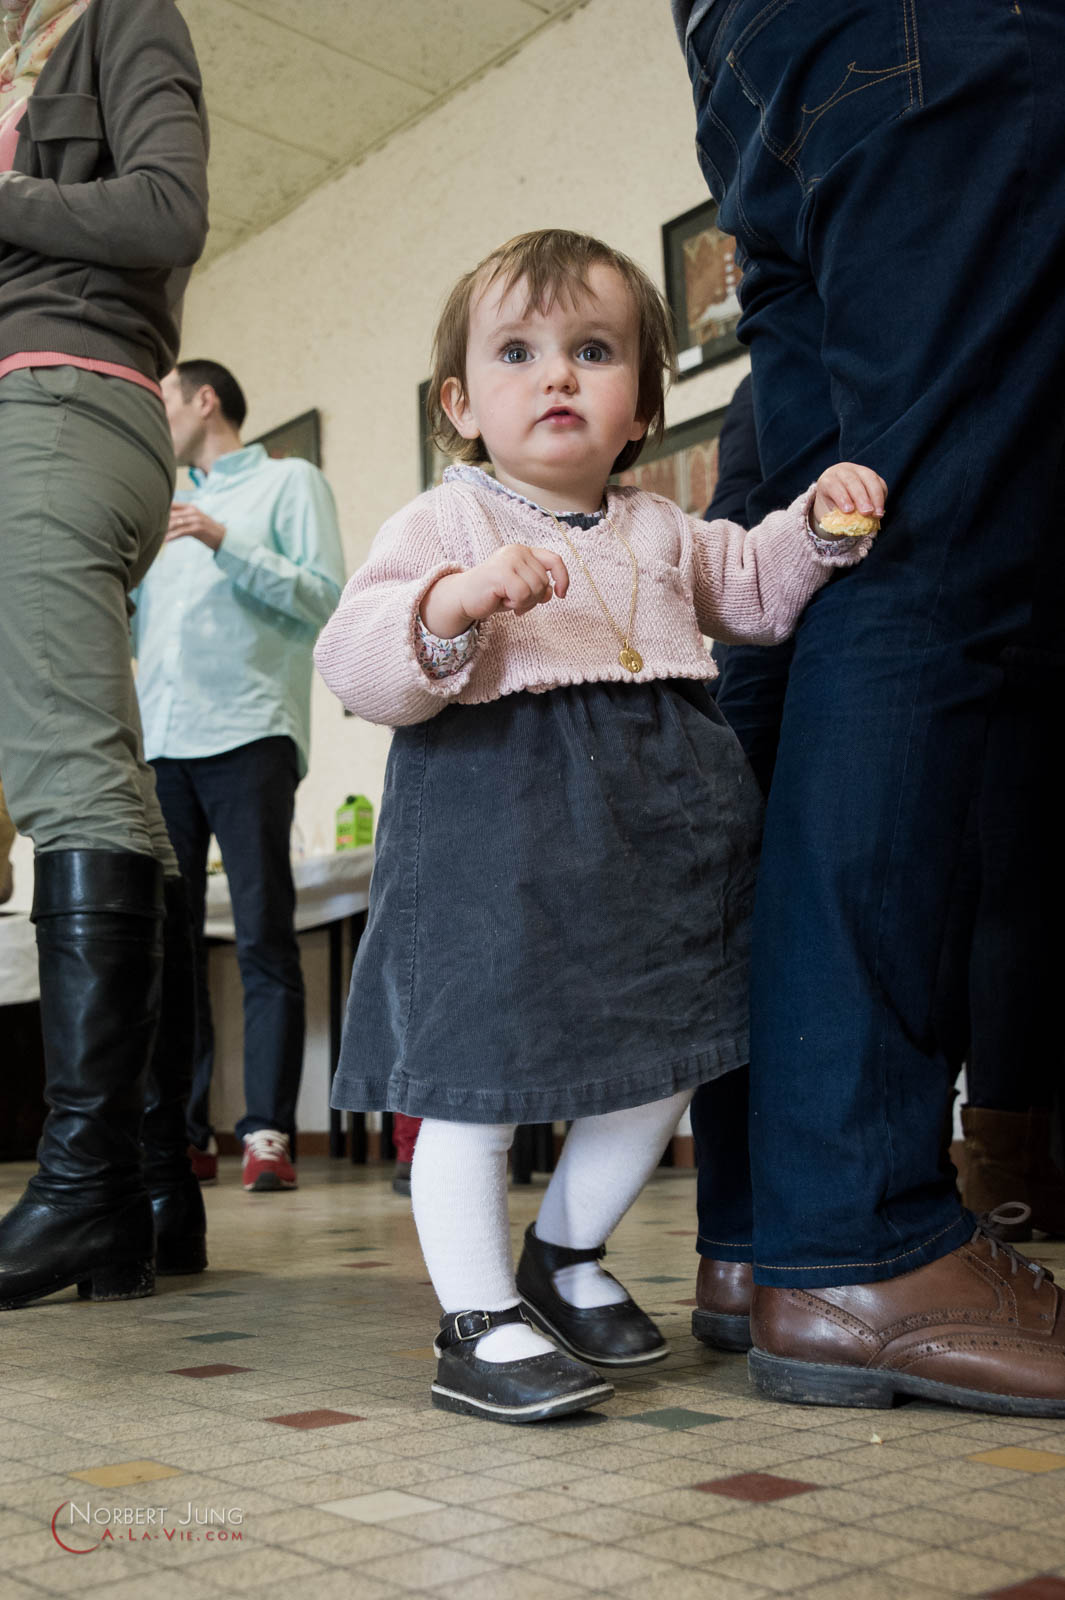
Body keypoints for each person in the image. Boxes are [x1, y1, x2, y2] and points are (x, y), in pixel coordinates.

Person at [314, 227, 883, 1424]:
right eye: (518, 352)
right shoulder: (441, 523)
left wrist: (820, 527)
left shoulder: (662, 529)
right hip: (495, 840)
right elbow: (358, 660)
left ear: (639, 410)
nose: (557, 375)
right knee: (472, 1078)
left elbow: (756, 586)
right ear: (462, 405)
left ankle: (564, 1253)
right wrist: (454, 603)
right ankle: (475, 1317)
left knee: (664, 1054)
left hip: (659, 843)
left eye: (593, 350)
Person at [674, 0, 1065, 1414]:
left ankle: (759, 1231)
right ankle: (862, 1244)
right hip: (948, 28)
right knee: (924, 553)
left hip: (747, 56)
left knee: (829, 553)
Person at [0, 0, 209, 1308]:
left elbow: (164, 212)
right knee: (96, 771)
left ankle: (89, 1186)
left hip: (63, 401)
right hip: (35, 412)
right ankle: (142, 1182)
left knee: (71, 776)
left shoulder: (119, 14)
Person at [132, 361, 346, 1194]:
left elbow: (325, 597)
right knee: (169, 948)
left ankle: (266, 1134)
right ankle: (181, 1135)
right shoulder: (159, 510)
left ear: (204, 400)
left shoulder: (289, 483)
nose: (159, 421)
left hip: (251, 731)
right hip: (163, 744)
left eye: (164, 402)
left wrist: (225, 540)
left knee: (262, 934)